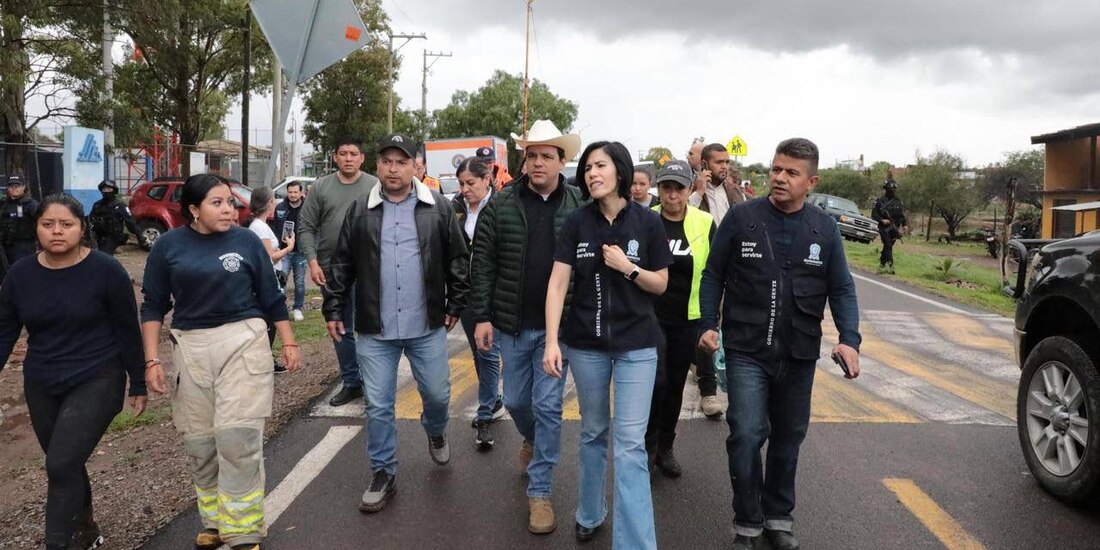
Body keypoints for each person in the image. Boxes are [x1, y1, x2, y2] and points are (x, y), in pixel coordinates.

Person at [698, 138, 862, 550]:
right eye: (775, 169)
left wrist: (849, 339)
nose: (780, 178)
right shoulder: (741, 218)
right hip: (747, 349)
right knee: (747, 434)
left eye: (791, 172)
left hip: (800, 351)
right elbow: (713, 274)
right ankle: (747, 523)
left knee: (788, 438)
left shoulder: (824, 229)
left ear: (811, 181)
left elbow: (841, 288)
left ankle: (778, 517)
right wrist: (707, 322)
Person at [142, 174, 301, 550]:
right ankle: (215, 522)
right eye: (217, 203)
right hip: (191, 348)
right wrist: (151, 360)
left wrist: (290, 342)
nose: (229, 209)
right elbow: (152, 306)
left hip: (243, 341)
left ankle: (244, 529)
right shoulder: (167, 247)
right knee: (201, 444)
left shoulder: (246, 241)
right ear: (194, 210)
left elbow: (271, 296)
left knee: (238, 439)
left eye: (230, 202)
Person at [323, 134, 469, 514]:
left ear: (415, 166)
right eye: (387, 161)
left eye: (401, 161)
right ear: (378, 165)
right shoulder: (360, 211)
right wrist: (334, 308)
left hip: (426, 326)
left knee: (437, 395)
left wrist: (456, 299)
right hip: (376, 329)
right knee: (378, 404)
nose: (393, 168)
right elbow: (341, 264)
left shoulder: (436, 208)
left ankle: (434, 428)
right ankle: (383, 471)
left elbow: (457, 258)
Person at [0, 194, 146, 550]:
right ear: (37, 229)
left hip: (99, 375)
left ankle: (58, 544)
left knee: (62, 461)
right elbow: (4, 331)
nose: (57, 232)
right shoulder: (20, 275)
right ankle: (85, 528)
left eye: (66, 225)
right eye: (48, 224)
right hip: (43, 382)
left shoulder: (106, 270)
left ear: (82, 229)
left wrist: (138, 381)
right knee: (64, 462)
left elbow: (128, 328)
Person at [544, 141, 671, 548]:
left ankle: (634, 543)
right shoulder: (577, 223)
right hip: (586, 346)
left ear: (619, 170)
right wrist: (552, 341)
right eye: (587, 169)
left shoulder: (648, 224)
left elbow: (662, 284)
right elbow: (558, 282)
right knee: (593, 432)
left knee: (630, 445)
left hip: (637, 346)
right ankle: (589, 511)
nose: (592, 174)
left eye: (600, 166)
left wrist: (629, 268)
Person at [469, 119, 584, 534]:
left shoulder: (578, 204)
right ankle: (532, 439)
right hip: (512, 326)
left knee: (548, 406)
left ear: (561, 161)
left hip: (560, 330)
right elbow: (482, 262)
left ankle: (540, 492)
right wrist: (482, 315)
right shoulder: (500, 204)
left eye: (546, 156)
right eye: (531, 155)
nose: (537, 162)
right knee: (517, 401)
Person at [644, 160, 716, 478]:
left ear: (690, 190)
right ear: (658, 190)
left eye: (679, 188)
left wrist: (713, 319)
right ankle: (646, 446)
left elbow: (715, 273)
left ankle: (666, 446)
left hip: (688, 318)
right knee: (654, 383)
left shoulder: (704, 222)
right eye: (666, 188)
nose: (672, 195)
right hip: (649, 317)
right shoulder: (645, 220)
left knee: (674, 385)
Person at [299, 137, 379, 407]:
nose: (348, 158)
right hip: (332, 270)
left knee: (370, 328)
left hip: (369, 269)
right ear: (335, 157)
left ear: (362, 158)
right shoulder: (321, 187)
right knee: (340, 327)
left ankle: (372, 384)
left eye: (353, 153)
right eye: (342, 153)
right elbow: (306, 227)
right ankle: (351, 382)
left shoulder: (374, 186)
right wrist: (312, 261)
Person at [451, 157, 504, 449]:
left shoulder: (500, 206)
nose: (465, 189)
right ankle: (494, 399)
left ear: (487, 179)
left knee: (487, 351)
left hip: (495, 291)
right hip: (467, 291)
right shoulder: (455, 208)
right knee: (477, 350)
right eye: (461, 184)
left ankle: (484, 415)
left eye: (470, 183)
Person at [687, 142, 743, 418]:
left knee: (729, 327)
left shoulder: (735, 193)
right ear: (705, 165)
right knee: (706, 326)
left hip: (733, 271)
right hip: (702, 272)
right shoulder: (689, 190)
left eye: (727, 162)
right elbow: (680, 217)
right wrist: (697, 193)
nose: (724, 166)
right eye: (719, 162)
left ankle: (733, 384)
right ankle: (708, 392)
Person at [248, 186, 295, 374]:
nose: (275, 203)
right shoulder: (259, 227)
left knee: (269, 321)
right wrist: (289, 247)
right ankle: (265, 359)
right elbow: (270, 256)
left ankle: (267, 357)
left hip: (272, 275)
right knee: (269, 321)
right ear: (268, 203)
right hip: (270, 276)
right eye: (273, 199)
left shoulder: (260, 225)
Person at [272, 180, 307, 321]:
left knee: (299, 282)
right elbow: (275, 228)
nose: (293, 195)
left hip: (301, 252)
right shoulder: (280, 207)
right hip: (284, 251)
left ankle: (298, 308)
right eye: (290, 192)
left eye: (295, 192)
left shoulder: (308, 208)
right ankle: (281, 307)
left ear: (301, 193)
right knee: (281, 279)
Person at [89, 179, 141, 255]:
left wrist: (140, 236)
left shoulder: (120, 206)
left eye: (109, 189)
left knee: (105, 256)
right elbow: (90, 219)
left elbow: (130, 222)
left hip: (113, 237)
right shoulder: (97, 205)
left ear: (114, 190)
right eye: (104, 189)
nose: (106, 191)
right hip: (98, 236)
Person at [871, 172, 907, 274]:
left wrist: (904, 225)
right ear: (886, 189)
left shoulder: (898, 201)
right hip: (884, 228)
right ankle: (891, 267)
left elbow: (901, 214)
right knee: (888, 245)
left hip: (895, 228)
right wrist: (882, 220)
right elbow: (874, 214)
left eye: (894, 189)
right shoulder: (880, 201)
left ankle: (882, 265)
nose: (892, 191)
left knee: (888, 246)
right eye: (890, 189)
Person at [0, 176, 40, 266]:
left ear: (23, 187)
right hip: (6, 247)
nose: (14, 188)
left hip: (25, 247)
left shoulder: (31, 205)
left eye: (17, 186)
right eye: (11, 186)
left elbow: (41, 224)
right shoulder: (4, 205)